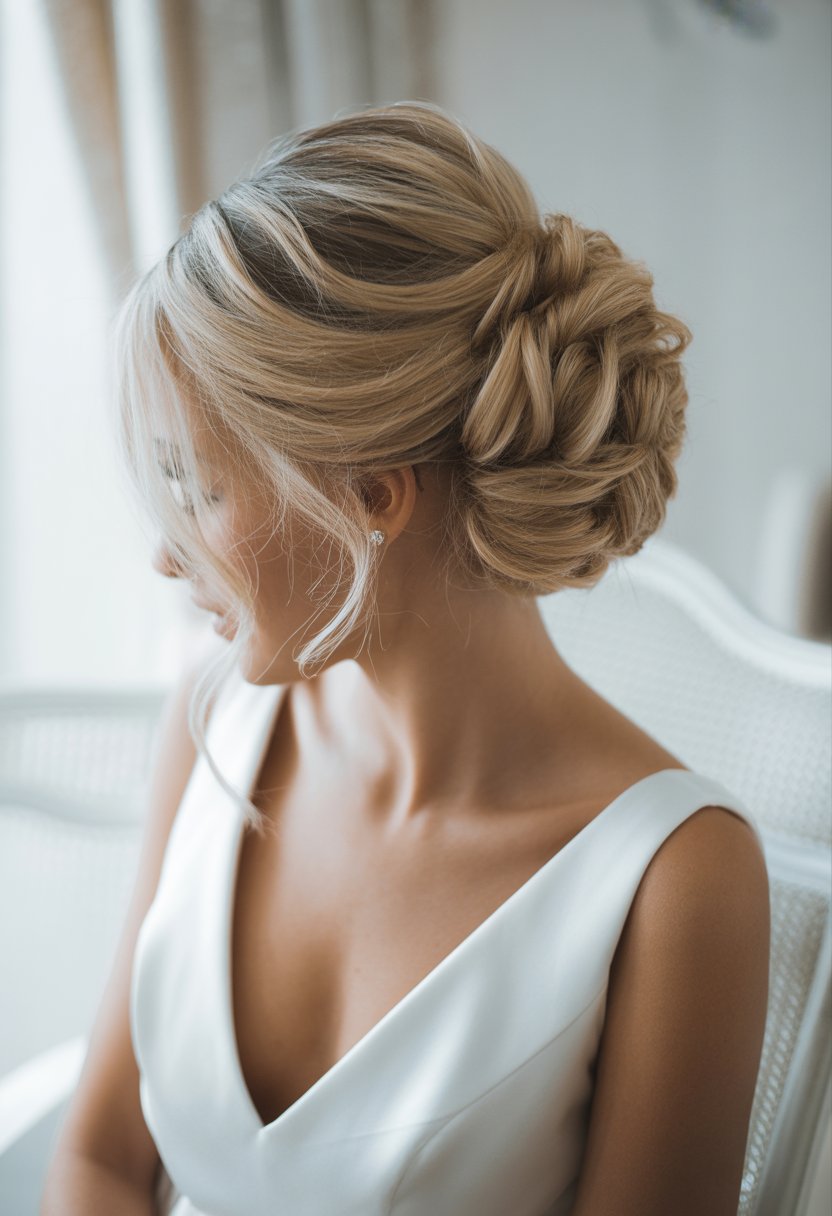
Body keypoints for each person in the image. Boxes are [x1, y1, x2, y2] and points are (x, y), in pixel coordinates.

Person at [41, 101, 770, 1216]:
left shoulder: (676, 882)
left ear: (369, 497)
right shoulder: (214, 731)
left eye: (199, 486)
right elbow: (98, 1157)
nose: (162, 551)